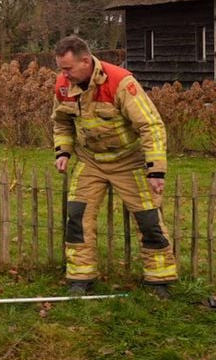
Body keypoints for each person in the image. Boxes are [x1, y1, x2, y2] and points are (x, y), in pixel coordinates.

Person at [52, 35, 176, 296]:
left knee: (148, 219)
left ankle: (159, 279)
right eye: (61, 69)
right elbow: (61, 122)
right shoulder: (63, 86)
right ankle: (80, 277)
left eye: (68, 68)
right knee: (77, 216)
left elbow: (151, 125)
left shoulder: (121, 82)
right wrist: (63, 152)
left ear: (86, 61)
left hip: (128, 161)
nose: (64, 74)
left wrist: (156, 170)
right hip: (90, 161)